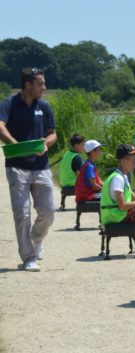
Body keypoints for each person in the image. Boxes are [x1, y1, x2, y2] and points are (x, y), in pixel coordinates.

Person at [0, 67, 57, 271]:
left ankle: (36, 239)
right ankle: (28, 258)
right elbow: (0, 125)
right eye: (40, 83)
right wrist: (17, 145)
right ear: (28, 85)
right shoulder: (9, 104)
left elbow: (53, 134)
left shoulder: (44, 106)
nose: (44, 87)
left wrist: (45, 143)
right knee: (22, 214)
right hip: (17, 167)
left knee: (48, 212)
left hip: (41, 167)